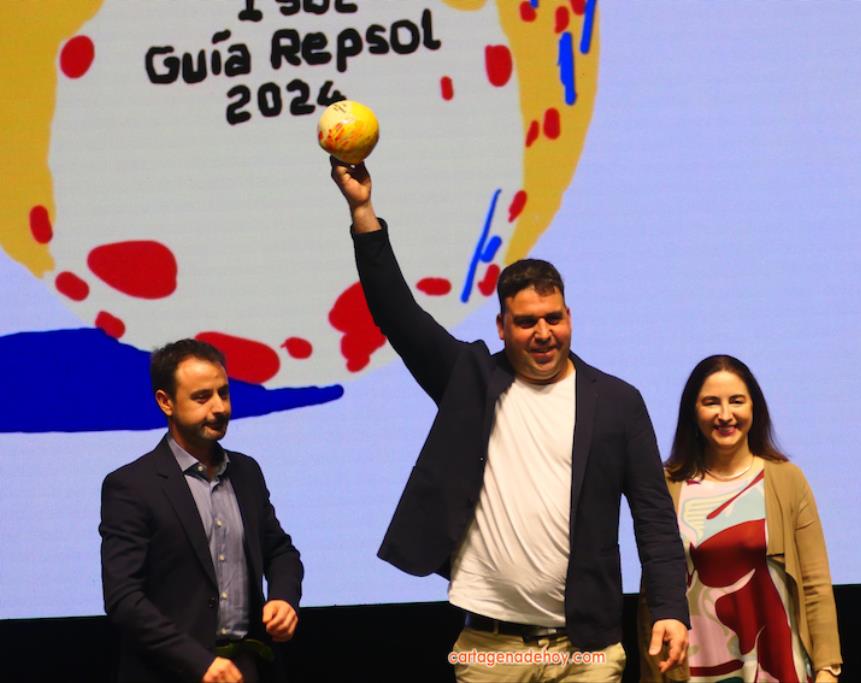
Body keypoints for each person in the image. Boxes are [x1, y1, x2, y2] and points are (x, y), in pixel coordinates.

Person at [331, 159, 689, 682]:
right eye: (526, 322)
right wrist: (363, 210)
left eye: (553, 318)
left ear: (569, 317)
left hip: (586, 652)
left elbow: (654, 517)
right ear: (501, 326)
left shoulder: (617, 402)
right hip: (490, 649)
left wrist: (672, 609)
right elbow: (396, 314)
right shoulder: (470, 379)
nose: (543, 332)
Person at [100, 339, 303, 683]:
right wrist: (198, 661)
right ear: (165, 402)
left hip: (247, 667)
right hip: (170, 672)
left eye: (223, 393)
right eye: (202, 397)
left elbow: (280, 551)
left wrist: (284, 598)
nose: (219, 407)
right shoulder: (131, 486)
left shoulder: (247, 472)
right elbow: (123, 598)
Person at [638, 355, 842, 683]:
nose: (725, 415)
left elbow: (815, 584)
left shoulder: (786, 480)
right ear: (693, 411)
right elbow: (653, 593)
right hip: (694, 666)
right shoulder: (668, 485)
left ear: (754, 408)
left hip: (775, 664)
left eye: (736, 401)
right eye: (711, 403)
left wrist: (827, 669)